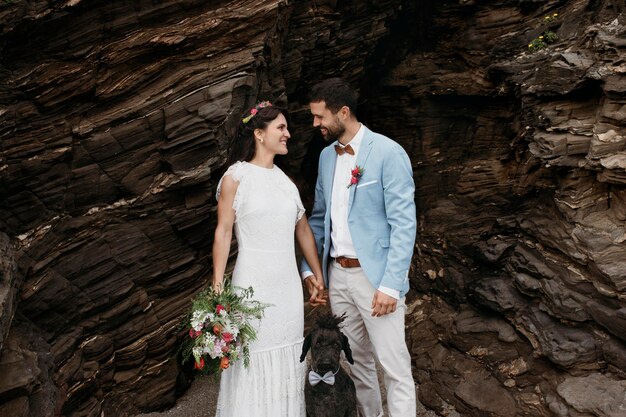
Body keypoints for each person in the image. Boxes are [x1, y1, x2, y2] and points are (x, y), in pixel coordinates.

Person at [300, 78, 417, 417]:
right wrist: (311, 271)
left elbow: (404, 224)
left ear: (344, 112)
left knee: (394, 368)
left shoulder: (387, 152)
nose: (315, 124)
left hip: (376, 278)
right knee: (359, 364)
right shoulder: (325, 158)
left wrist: (390, 285)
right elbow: (320, 220)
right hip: (338, 277)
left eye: (320, 117)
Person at [212, 101, 326, 417]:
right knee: (253, 357)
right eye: (281, 128)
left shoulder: (285, 182)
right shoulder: (235, 177)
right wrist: (218, 286)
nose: (288, 133)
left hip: (287, 287)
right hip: (252, 283)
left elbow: (303, 231)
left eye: (287, 128)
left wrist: (317, 274)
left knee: (289, 355)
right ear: (260, 134)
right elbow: (223, 232)